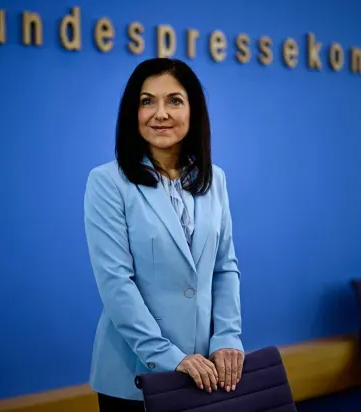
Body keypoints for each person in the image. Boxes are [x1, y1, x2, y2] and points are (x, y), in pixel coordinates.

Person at [83, 57, 244, 411]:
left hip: (205, 369)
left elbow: (224, 267)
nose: (160, 113)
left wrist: (227, 336)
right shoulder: (107, 182)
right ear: (133, 112)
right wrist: (169, 356)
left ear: (193, 111)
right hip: (133, 376)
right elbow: (116, 283)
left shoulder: (214, 179)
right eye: (147, 101)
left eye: (174, 100)